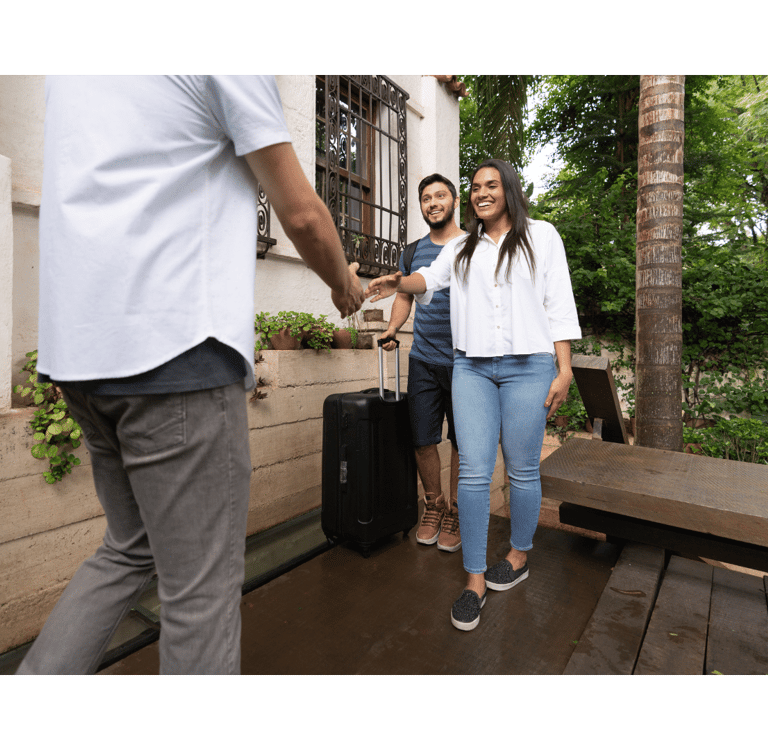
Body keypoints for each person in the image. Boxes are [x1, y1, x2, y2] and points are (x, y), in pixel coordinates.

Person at [17, 74, 363, 675]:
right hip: (173, 353)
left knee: (128, 549)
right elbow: (303, 214)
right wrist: (344, 284)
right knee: (200, 594)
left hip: (79, 358)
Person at [368, 158, 581, 631]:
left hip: (530, 366)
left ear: (508, 189)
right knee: (473, 473)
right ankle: (475, 579)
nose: (481, 193)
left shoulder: (542, 236)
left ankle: (519, 554)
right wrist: (397, 282)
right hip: (472, 369)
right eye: (476, 187)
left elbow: (558, 303)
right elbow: (429, 279)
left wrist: (563, 369)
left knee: (523, 469)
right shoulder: (462, 247)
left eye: (490, 185)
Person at [379, 174, 465, 552]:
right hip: (424, 360)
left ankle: (459, 511)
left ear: (455, 200)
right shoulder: (413, 250)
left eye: (440, 195)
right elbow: (405, 295)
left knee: (463, 442)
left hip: (466, 362)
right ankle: (434, 505)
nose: (433, 203)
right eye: (426, 198)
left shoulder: (472, 245)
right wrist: (393, 327)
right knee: (423, 438)